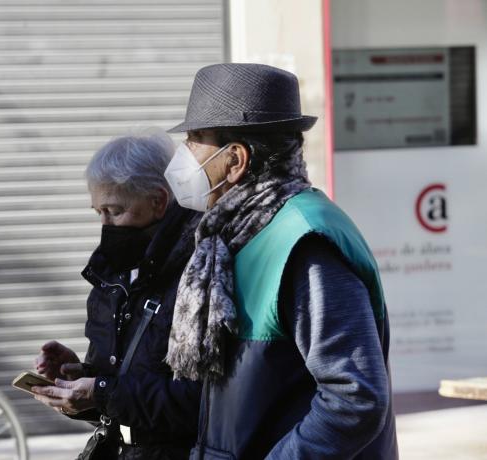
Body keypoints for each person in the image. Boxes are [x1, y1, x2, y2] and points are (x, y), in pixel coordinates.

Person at [163, 64, 398, 459]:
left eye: (195, 140)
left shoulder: (304, 242)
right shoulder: (237, 234)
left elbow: (355, 397)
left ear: (235, 160)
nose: (183, 155)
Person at [31, 131, 202, 459]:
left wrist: (101, 391)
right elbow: (119, 392)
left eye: (115, 210)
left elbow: (202, 401)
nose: (106, 225)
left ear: (158, 201)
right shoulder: (112, 276)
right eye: (99, 213)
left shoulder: (198, 274)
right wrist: (80, 375)